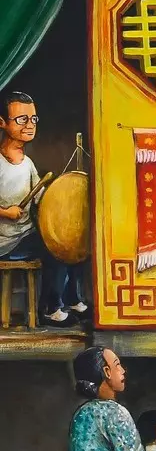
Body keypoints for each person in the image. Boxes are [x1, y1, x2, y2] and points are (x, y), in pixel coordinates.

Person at [0, 89, 86, 326]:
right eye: (22, 119)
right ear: (2, 123)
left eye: (33, 119)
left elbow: (40, 196)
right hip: (6, 241)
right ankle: (51, 308)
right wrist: (6, 212)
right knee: (55, 248)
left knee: (72, 239)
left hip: (24, 234)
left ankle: (73, 298)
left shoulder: (26, 162)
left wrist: (61, 196)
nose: (30, 125)